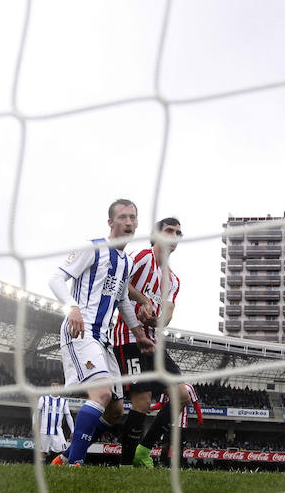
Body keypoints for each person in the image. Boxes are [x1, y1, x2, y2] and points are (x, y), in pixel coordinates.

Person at [48, 198, 142, 466]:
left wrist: (139, 333)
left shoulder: (126, 263)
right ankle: (74, 463)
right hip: (81, 330)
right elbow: (55, 279)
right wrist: (72, 308)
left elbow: (122, 301)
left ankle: (66, 455)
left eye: (133, 218)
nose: (128, 222)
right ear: (111, 222)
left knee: (114, 410)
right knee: (100, 394)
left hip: (103, 339)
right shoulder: (93, 248)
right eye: (123, 217)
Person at [112, 217, 195, 469]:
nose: (174, 234)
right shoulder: (142, 258)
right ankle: (126, 466)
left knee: (182, 395)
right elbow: (119, 284)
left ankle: (143, 449)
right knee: (143, 401)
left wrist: (158, 319)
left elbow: (168, 313)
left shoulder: (174, 280)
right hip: (129, 336)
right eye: (169, 230)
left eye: (178, 232)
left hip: (155, 341)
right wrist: (143, 301)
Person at [34, 380, 74, 462]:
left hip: (58, 431)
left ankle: (60, 469)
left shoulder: (63, 401)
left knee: (64, 452)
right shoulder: (43, 399)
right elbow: (36, 412)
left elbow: (68, 415)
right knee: (43, 452)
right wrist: (34, 424)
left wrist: (72, 430)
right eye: (53, 385)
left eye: (57, 386)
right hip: (44, 430)